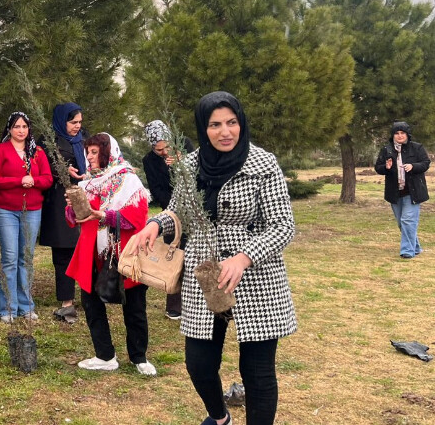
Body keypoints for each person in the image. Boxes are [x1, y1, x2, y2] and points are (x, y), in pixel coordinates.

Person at [132, 91, 297, 425]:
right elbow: (178, 210)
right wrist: (155, 224)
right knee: (199, 364)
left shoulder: (263, 163)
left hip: (256, 276)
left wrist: (244, 257)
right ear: (203, 128)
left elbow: (283, 225)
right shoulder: (190, 165)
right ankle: (220, 418)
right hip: (204, 272)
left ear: (241, 123)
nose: (225, 132)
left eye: (232, 122)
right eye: (215, 124)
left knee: (258, 371)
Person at [65, 133, 155, 375]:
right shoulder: (87, 183)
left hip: (124, 251)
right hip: (91, 252)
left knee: (134, 305)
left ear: (108, 153)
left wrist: (105, 216)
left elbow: (137, 217)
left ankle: (139, 357)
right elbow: (77, 219)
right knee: (91, 303)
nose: (89, 157)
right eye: (88, 152)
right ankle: (104, 355)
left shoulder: (128, 180)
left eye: (95, 152)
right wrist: (73, 209)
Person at [0, 112, 53, 323]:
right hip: (6, 209)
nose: (21, 130)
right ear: (9, 129)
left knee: (26, 258)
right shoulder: (0, 150)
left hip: (32, 209)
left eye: (24, 126)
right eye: (17, 126)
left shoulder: (37, 152)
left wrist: (33, 181)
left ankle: (26, 307)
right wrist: (19, 180)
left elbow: (47, 179)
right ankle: (8, 308)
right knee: (9, 258)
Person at [39, 103, 88, 323]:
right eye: (73, 122)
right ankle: (67, 301)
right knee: (63, 252)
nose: (77, 126)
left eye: (79, 122)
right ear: (62, 121)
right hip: (59, 201)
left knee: (87, 249)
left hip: (85, 198)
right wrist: (61, 170)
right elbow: (40, 167)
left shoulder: (84, 139)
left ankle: (88, 296)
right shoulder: (48, 141)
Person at [141, 119, 192, 320]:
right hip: (171, 213)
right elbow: (157, 190)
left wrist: (181, 165)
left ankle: (200, 303)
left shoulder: (185, 146)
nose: (163, 152)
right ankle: (175, 305)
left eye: (166, 147)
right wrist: (174, 207)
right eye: (159, 149)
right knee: (174, 255)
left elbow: (200, 176)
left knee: (197, 256)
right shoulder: (149, 161)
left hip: (195, 209)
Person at [375, 121, 429, 259]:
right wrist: (386, 167)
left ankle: (407, 251)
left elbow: (425, 163)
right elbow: (378, 168)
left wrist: (413, 166)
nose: (400, 136)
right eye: (397, 133)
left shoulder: (417, 147)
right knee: (401, 223)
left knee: (407, 221)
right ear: (393, 135)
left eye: (402, 133)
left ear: (407, 134)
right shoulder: (387, 149)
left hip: (413, 192)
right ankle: (416, 247)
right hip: (394, 193)